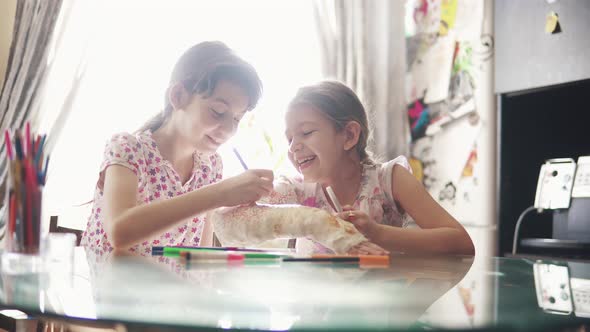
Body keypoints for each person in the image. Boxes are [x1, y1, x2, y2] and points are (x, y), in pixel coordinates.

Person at [80, 41, 274, 259]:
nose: (229, 129)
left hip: (170, 291)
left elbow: (199, 254)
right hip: (111, 287)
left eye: (237, 118)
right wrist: (220, 193)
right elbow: (119, 233)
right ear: (178, 96)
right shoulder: (128, 149)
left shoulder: (210, 165)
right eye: (218, 111)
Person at [274, 80, 475, 255]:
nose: (293, 147)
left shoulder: (390, 180)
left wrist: (376, 233)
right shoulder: (296, 190)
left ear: (350, 135)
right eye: (289, 139)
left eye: (306, 132)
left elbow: (461, 243)